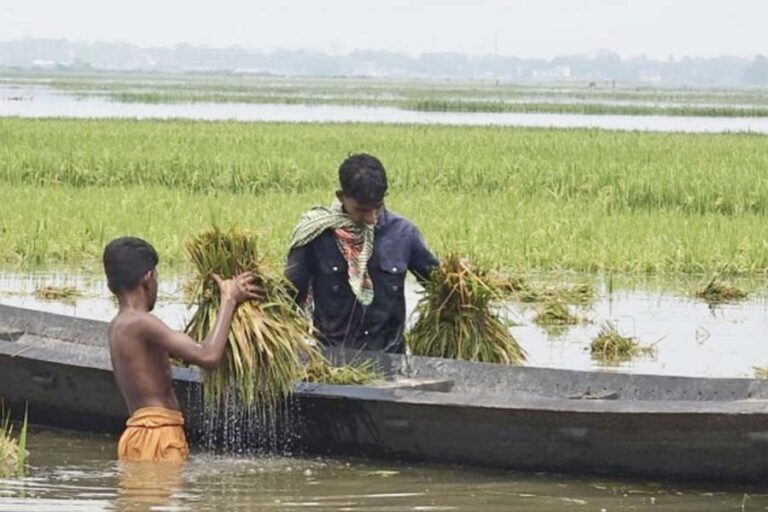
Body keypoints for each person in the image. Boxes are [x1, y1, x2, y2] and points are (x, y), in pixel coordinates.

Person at [103, 237, 259, 462]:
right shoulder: (142, 322)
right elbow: (208, 355)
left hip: (137, 436)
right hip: (158, 436)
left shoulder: (119, 325)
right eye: (156, 276)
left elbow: (185, 349)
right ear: (148, 278)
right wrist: (229, 299)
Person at [285, 153, 438, 353]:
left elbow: (439, 286)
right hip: (331, 365)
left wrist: (461, 280)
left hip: (391, 365)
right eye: (362, 210)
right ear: (341, 197)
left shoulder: (403, 235)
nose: (371, 219)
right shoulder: (316, 236)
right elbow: (286, 299)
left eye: (377, 208)